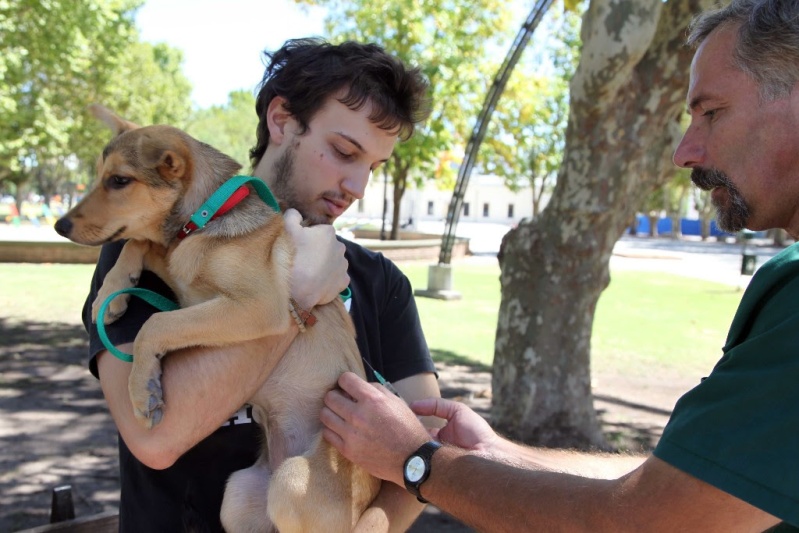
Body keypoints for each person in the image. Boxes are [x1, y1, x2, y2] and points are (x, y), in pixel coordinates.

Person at [320, 1, 799, 530]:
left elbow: (643, 523)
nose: (684, 151)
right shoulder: (783, 279)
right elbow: (683, 488)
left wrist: (416, 461)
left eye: (711, 112)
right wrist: (500, 458)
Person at [84, 38, 439, 532]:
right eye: (344, 152)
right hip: (239, 506)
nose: (358, 187)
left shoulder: (381, 282)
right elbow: (155, 440)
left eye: (373, 167)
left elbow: (425, 446)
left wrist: (373, 527)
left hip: (318, 502)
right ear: (280, 120)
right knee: (243, 500)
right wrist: (299, 293)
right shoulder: (139, 257)